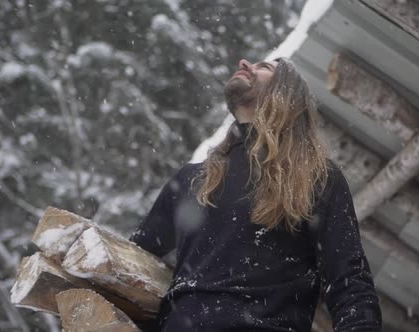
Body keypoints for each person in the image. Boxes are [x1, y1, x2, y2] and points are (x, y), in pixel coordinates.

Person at [129, 58, 382, 331]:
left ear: (286, 96)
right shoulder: (191, 180)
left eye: (265, 67)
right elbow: (130, 264)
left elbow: (350, 282)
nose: (245, 62)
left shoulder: (315, 177)